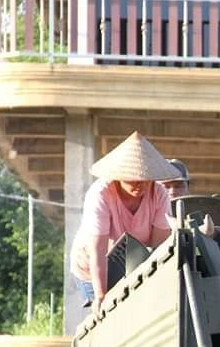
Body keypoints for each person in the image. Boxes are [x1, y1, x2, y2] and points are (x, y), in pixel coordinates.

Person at [70, 131, 180, 315]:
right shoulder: (100, 195)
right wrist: (101, 295)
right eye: (132, 178)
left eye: (145, 179)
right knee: (107, 316)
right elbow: (97, 251)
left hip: (132, 264)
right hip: (92, 269)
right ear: (118, 176)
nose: (140, 184)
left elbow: (158, 249)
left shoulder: (159, 194)